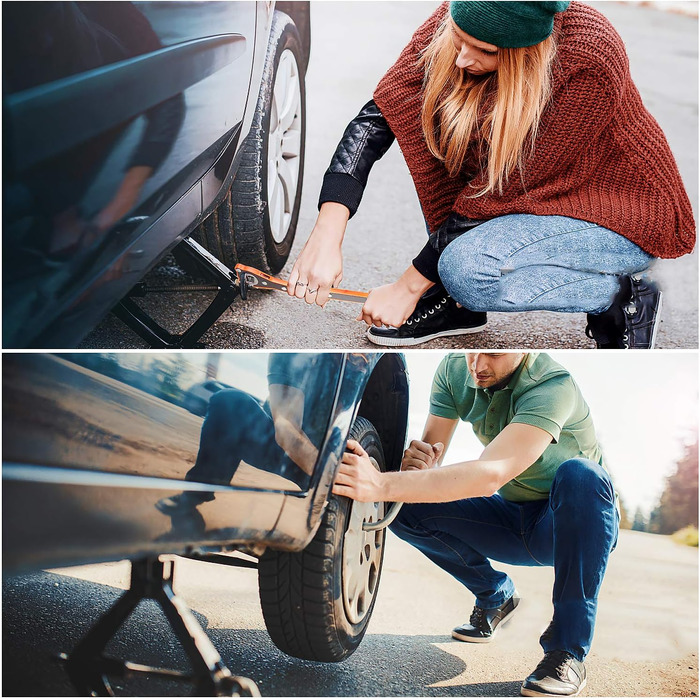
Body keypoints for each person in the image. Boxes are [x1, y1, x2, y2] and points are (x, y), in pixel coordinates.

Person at [288, 1, 695, 349]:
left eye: (483, 50)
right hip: (536, 202)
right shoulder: (462, 19)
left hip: (619, 214)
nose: (462, 58)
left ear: (527, 50)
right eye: (458, 38)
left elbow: (497, 194)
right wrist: (328, 229)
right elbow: (379, 115)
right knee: (454, 262)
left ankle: (621, 296)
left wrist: (407, 288)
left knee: (467, 270)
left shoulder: (589, 58)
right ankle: (459, 306)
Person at [333, 352, 618, 697]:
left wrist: (380, 483)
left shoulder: (552, 386)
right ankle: (495, 595)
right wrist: (416, 468)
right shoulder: (455, 370)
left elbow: (491, 475)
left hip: (567, 525)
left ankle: (567, 651)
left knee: (581, 474)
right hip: (512, 519)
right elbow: (429, 455)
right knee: (404, 506)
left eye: (494, 354)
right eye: (474, 353)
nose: (479, 366)